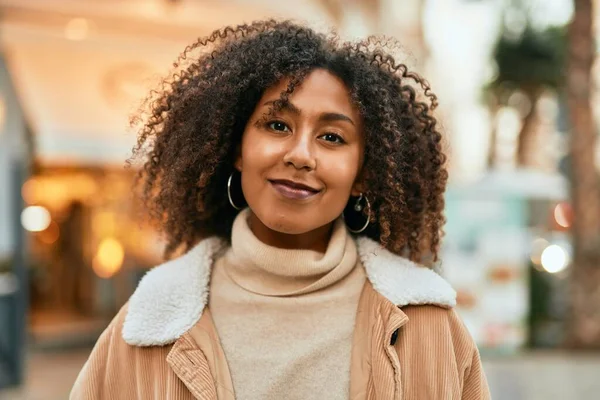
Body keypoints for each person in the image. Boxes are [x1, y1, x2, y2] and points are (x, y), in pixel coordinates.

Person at [71, 19, 490, 400]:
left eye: (332, 137)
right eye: (277, 125)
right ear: (236, 148)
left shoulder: (430, 325)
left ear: (364, 173)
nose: (301, 155)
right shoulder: (147, 324)